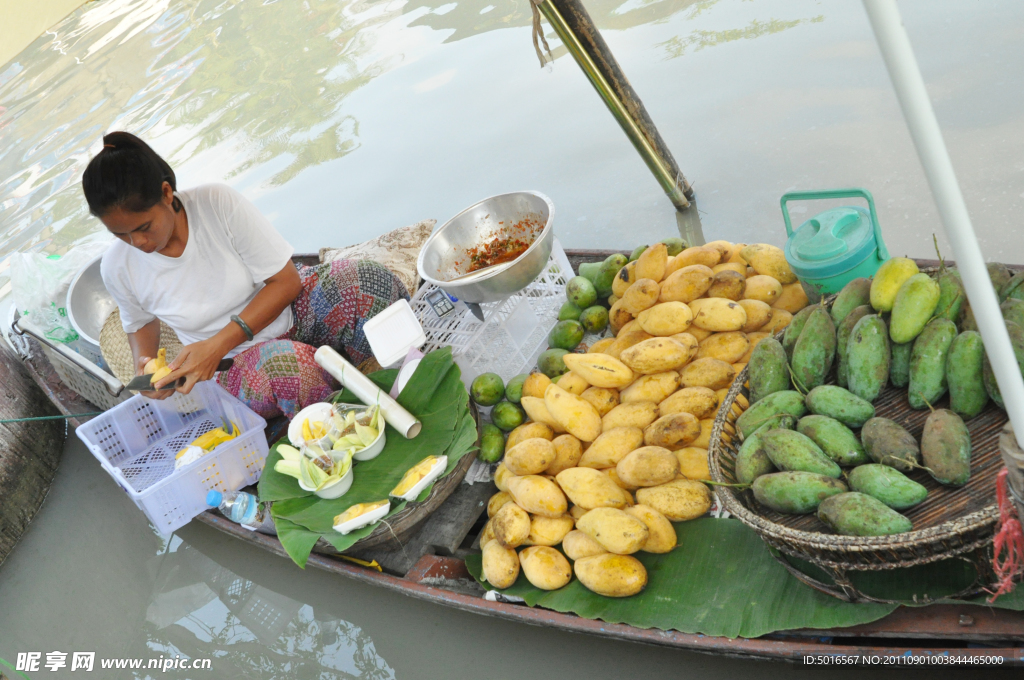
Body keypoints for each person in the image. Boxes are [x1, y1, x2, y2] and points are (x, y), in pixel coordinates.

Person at [82, 131, 408, 419]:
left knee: (369, 283)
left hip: (288, 315)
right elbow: (139, 323)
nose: (137, 243)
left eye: (144, 227)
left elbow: (287, 281)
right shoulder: (117, 267)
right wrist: (147, 367)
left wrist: (218, 342)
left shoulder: (216, 203)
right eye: (121, 235)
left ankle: (390, 381)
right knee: (290, 371)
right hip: (230, 365)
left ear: (166, 194)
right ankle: (352, 412)